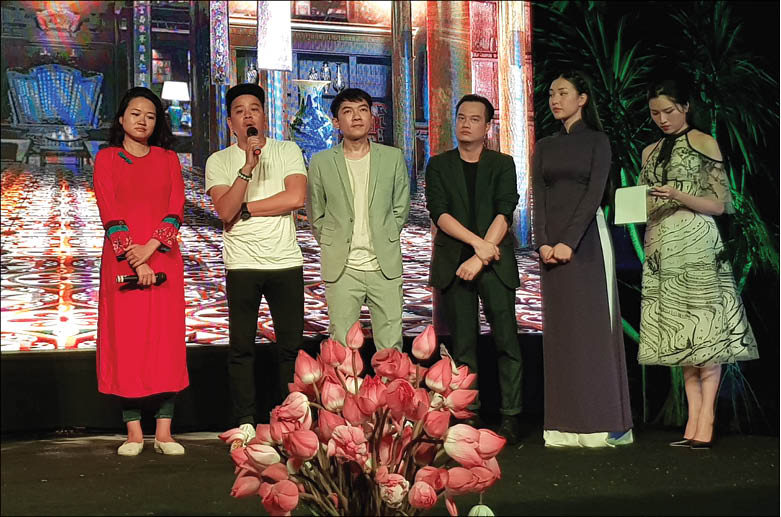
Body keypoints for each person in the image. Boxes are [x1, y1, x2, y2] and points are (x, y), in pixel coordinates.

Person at [637, 77, 758, 449]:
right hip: (661, 246)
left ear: (686, 107)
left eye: (669, 111)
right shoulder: (649, 151)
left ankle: (706, 420)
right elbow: (642, 204)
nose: (662, 119)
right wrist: (642, 206)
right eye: (655, 113)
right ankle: (692, 421)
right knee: (681, 336)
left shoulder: (705, 142)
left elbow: (719, 204)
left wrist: (678, 195)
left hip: (697, 243)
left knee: (706, 333)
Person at [532, 71, 633, 448]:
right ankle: (563, 426)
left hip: (587, 242)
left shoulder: (597, 141)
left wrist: (568, 242)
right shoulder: (545, 145)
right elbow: (538, 196)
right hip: (551, 249)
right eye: (551, 94)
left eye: (563, 93)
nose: (555, 100)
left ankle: (604, 422)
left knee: (593, 330)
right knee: (561, 334)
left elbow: (594, 194)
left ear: (583, 98)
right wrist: (543, 242)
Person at [205, 84, 307, 446]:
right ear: (230, 122)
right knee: (241, 347)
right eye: (239, 110)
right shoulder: (219, 161)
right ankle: (245, 421)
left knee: (290, 348)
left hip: (285, 261)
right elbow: (224, 210)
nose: (248, 115)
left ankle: (289, 420)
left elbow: (295, 197)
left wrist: (246, 208)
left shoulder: (287, 150)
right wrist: (247, 168)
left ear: (264, 115)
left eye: (254, 108)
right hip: (242, 264)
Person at [94, 87, 188, 456]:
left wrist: (151, 249)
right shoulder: (106, 158)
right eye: (135, 114)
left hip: (163, 256)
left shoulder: (168, 159)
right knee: (127, 342)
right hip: (122, 258)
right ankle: (133, 432)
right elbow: (109, 210)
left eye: (150, 116)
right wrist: (136, 258)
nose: (143, 121)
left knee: (165, 342)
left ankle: (164, 432)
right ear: (121, 119)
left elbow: (176, 206)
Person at [425, 94, 524, 444]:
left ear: (488, 126)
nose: (466, 124)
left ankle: (511, 415)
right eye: (461, 117)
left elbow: (504, 211)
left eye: (474, 119)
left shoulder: (503, 164)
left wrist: (480, 257)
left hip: (493, 263)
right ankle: (469, 414)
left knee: (507, 342)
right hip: (455, 263)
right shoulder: (439, 164)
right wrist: (477, 246)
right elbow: (439, 213)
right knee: (463, 345)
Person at [307, 88, 410, 350]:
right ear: (336, 122)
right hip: (343, 268)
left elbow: (401, 207)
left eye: (363, 110)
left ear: (371, 117)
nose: (357, 117)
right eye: (348, 111)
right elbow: (316, 213)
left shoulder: (393, 158)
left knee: (391, 348)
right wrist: (331, 241)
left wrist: (386, 234)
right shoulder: (321, 162)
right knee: (341, 349)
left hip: (384, 266)